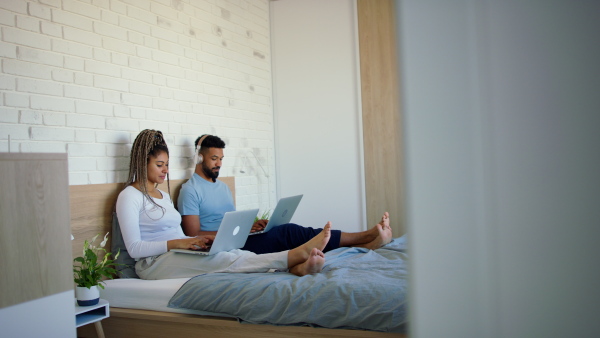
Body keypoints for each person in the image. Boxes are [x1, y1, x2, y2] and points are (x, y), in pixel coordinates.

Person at [116, 129, 333, 280]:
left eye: (167, 165)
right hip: (153, 263)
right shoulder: (129, 196)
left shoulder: (162, 195)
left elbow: (176, 234)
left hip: (176, 252)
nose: (166, 170)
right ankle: (294, 255)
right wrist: (177, 244)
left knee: (232, 255)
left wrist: (197, 241)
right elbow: (134, 249)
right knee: (220, 262)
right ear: (141, 163)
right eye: (159, 165)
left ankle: (297, 268)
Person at [178, 134, 393, 255]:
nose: (219, 164)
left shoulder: (223, 187)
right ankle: (363, 238)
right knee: (287, 233)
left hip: (235, 240)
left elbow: (229, 223)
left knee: (283, 229)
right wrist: (236, 234)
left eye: (221, 159)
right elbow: (192, 234)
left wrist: (249, 226)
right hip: (219, 248)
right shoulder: (190, 190)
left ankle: (363, 243)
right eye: (214, 158)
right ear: (199, 159)